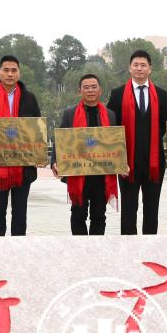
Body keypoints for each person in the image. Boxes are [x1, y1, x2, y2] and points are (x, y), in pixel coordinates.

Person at [0, 55, 41, 237]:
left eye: (14, 70)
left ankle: (18, 247)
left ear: (19, 73)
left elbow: (36, 129)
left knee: (20, 213)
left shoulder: (29, 98)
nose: (10, 74)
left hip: (23, 164)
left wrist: (38, 155)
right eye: (6, 70)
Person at [107, 50, 167, 235]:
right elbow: (112, 126)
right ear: (129, 68)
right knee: (128, 209)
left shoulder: (161, 94)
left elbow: (163, 126)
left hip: (154, 162)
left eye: (143, 65)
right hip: (127, 163)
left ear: (150, 68)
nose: (139, 68)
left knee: (152, 209)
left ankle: (150, 246)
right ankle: (128, 247)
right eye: (136, 65)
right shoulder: (118, 94)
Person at [52, 73, 120, 236]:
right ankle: (79, 247)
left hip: (101, 174)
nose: (90, 90)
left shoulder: (110, 115)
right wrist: (55, 160)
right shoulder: (70, 113)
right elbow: (60, 138)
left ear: (100, 90)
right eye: (86, 87)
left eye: (94, 87)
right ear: (79, 91)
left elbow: (116, 142)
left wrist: (121, 163)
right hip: (78, 172)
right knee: (78, 214)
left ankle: (96, 247)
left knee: (99, 215)